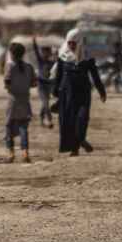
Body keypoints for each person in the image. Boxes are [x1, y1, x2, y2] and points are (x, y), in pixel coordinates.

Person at [51, 27, 106, 156]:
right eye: (69, 42)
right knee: (69, 121)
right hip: (67, 93)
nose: (71, 45)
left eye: (73, 43)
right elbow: (58, 75)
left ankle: (81, 139)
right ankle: (74, 149)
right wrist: (55, 92)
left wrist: (101, 91)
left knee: (82, 119)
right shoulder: (62, 56)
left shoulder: (87, 57)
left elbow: (95, 75)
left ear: (80, 42)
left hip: (83, 93)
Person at [3, 42, 34, 163]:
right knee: (23, 127)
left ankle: (11, 153)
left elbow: (7, 83)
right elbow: (34, 83)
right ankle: (26, 153)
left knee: (9, 127)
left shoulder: (9, 66)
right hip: (25, 100)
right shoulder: (29, 67)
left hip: (13, 101)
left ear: (12, 54)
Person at [32, 38, 54, 128]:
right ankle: (49, 120)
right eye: (43, 52)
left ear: (49, 53)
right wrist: (34, 42)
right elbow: (36, 51)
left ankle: (41, 120)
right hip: (41, 85)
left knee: (45, 104)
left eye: (46, 52)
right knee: (46, 103)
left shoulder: (52, 63)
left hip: (48, 85)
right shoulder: (40, 61)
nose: (44, 54)